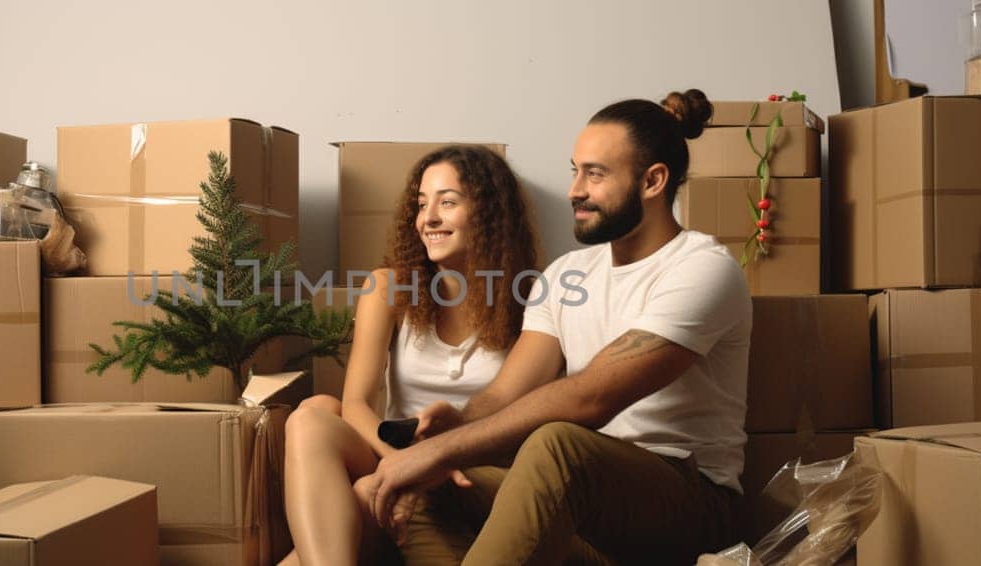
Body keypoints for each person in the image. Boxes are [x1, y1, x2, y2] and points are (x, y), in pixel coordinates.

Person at [358, 89, 753, 565]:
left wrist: (445, 450)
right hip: (586, 506)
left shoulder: (701, 269)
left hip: (687, 501)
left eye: (595, 174)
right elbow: (506, 395)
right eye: (575, 170)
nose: (575, 190)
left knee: (556, 444)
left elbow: (591, 396)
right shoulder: (567, 275)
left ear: (653, 181)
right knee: (429, 485)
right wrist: (454, 430)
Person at [280, 145, 540, 566]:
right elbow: (356, 403)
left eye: (448, 202)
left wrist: (432, 465)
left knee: (353, 508)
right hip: (393, 455)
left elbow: (529, 421)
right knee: (313, 414)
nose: (429, 218)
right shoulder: (388, 288)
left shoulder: (533, 298)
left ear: (491, 213)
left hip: (475, 471)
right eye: (421, 205)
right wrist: (404, 465)